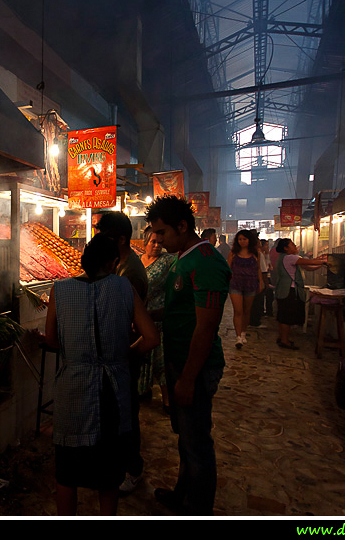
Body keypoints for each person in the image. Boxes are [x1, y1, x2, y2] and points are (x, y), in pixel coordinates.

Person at [43, 234, 160, 516]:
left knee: (67, 473)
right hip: (112, 390)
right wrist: (124, 356)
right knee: (109, 475)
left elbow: (51, 340)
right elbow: (151, 337)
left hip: (73, 390)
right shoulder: (123, 286)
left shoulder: (59, 289)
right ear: (113, 263)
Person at [145, 195, 231, 516]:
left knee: (197, 443)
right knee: (185, 439)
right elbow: (178, 311)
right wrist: (145, 315)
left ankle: (198, 509)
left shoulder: (206, 262)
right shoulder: (183, 257)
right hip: (178, 359)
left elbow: (206, 327)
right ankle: (183, 495)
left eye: (163, 232)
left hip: (195, 366)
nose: (158, 239)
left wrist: (188, 379)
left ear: (183, 226)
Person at [93, 210, 148, 494]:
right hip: (115, 353)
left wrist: (127, 353)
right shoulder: (119, 265)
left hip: (124, 353)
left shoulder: (132, 274)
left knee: (126, 414)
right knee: (116, 413)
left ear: (122, 239)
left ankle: (133, 468)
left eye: (105, 237)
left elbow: (138, 324)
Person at [138, 227, 175, 413]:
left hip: (159, 317)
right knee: (141, 358)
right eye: (153, 242)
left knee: (161, 361)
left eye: (160, 243)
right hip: (139, 318)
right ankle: (142, 391)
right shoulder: (137, 262)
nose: (157, 246)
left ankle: (168, 401)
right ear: (145, 242)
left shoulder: (169, 261)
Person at [273, 238, 327, 349]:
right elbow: (308, 262)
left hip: (284, 289)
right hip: (289, 290)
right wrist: (323, 261)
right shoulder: (289, 257)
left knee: (283, 314)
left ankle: (282, 337)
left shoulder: (283, 258)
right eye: (292, 245)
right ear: (286, 248)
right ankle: (284, 341)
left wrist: (321, 264)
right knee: (286, 316)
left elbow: (308, 267)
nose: (295, 246)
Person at [227, 229, 263, 349]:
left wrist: (261, 282)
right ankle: (238, 336)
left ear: (249, 240)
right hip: (235, 283)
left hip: (250, 283)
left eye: (244, 239)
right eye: (240, 239)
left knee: (247, 310)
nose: (242, 241)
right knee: (238, 310)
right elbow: (228, 267)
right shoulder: (233, 253)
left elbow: (258, 269)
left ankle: (243, 332)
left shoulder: (255, 253)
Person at [249, 238, 271, 328]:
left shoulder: (259, 254)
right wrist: (264, 282)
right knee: (257, 301)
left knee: (255, 302)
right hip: (258, 279)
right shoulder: (259, 254)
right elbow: (262, 269)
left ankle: (252, 320)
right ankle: (255, 321)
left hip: (255, 280)